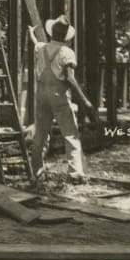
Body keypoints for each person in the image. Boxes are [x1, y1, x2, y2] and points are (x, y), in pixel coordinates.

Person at [26, 15, 93, 184]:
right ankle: (75, 174)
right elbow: (70, 79)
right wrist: (84, 100)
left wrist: (30, 33)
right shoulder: (66, 53)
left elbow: (35, 43)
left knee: (40, 134)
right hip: (58, 96)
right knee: (70, 134)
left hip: (41, 95)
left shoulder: (41, 48)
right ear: (65, 36)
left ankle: (37, 173)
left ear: (51, 33)